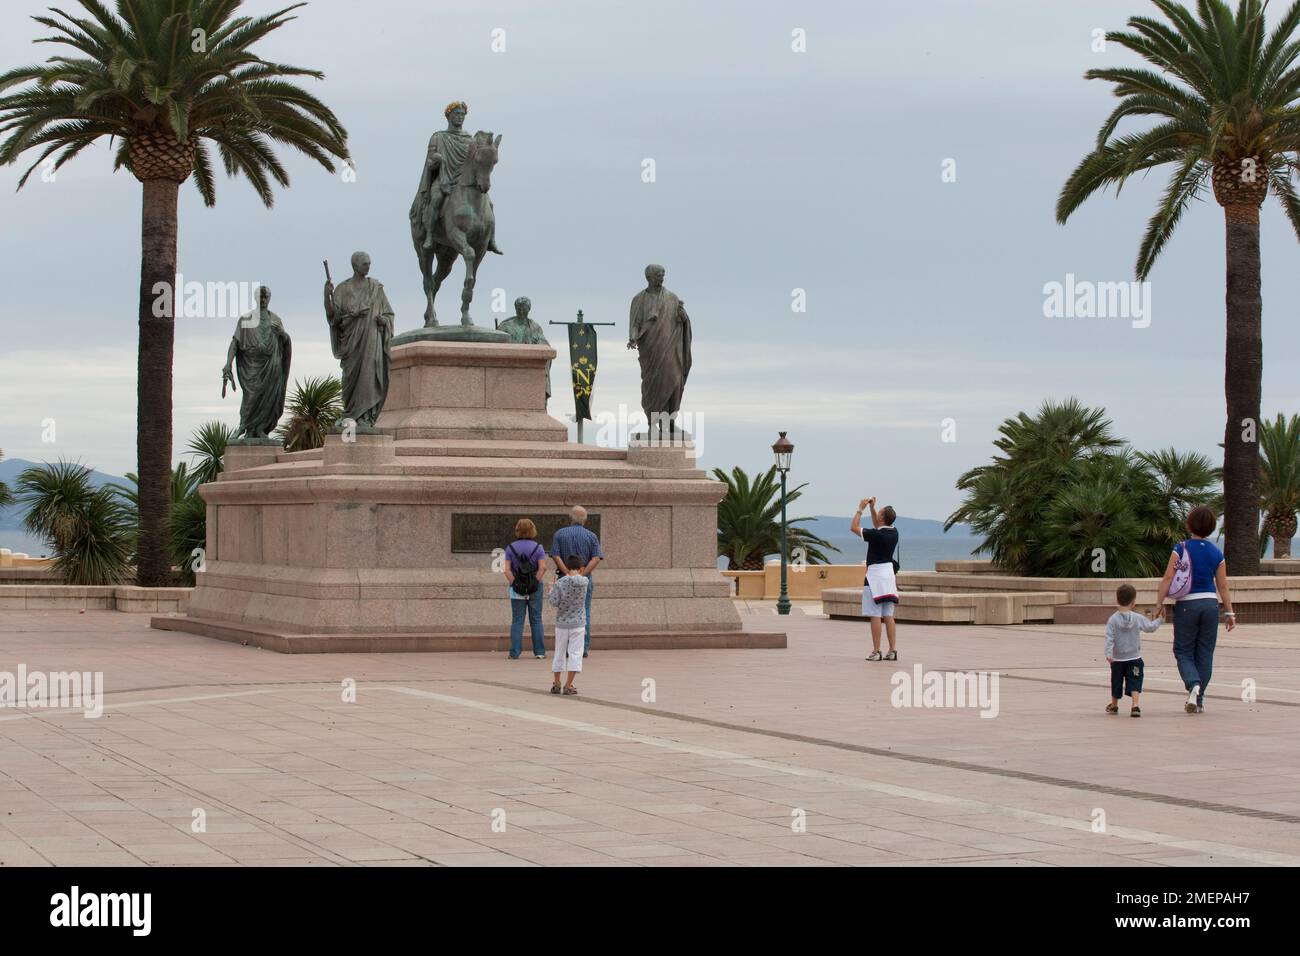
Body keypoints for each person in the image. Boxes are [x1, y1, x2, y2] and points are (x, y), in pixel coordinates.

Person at [1153, 505, 1236, 714]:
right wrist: (1230, 612)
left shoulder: (1180, 548)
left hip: (1187, 605)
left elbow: (1168, 578)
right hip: (1210, 605)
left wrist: (1159, 603)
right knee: (1205, 653)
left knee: (1182, 650)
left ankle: (1193, 683)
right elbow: (1223, 586)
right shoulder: (1216, 553)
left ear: (1189, 524)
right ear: (1211, 527)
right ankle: (1198, 700)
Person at [850, 497, 900, 661]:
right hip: (888, 576)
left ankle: (876, 651)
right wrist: (873, 508)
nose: (877, 513)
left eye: (879, 512)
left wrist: (860, 508)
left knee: (875, 614)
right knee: (888, 615)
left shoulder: (876, 535)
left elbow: (854, 527)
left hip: (874, 577)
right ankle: (892, 651)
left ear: (882, 517)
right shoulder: (894, 532)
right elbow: (878, 525)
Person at [551, 506, 603, 657]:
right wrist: (582, 573)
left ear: (571, 518)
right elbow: (596, 558)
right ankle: (582, 649)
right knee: (584, 611)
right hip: (585, 580)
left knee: (564, 611)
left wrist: (567, 573)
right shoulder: (591, 536)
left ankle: (566, 648)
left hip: (563, 579)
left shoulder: (560, 534)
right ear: (584, 520)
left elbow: (555, 555)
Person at [1105, 583, 1161, 718]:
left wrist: (1108, 653)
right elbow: (1150, 628)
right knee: (1135, 681)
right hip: (1134, 658)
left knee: (1116, 681)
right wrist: (1160, 619)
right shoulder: (1137, 618)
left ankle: (1114, 704)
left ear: (1117, 600)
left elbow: (1109, 638)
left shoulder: (1112, 619)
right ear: (1133, 602)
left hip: (1118, 659)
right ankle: (1135, 706)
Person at [503, 519, 547, 660]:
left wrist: (515, 584)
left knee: (517, 620)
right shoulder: (538, 547)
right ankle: (539, 652)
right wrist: (534, 582)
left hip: (516, 587)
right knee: (536, 619)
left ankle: (514, 652)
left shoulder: (510, 548)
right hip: (535, 587)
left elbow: (506, 570)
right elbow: (543, 568)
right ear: (532, 530)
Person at [549, 555, 590, 695]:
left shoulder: (560, 583)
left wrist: (551, 589)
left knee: (559, 652)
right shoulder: (585, 582)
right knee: (575, 654)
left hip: (561, 623)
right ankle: (569, 685)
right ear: (581, 568)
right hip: (578, 623)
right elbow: (577, 579)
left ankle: (556, 683)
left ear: (567, 567)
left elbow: (554, 602)